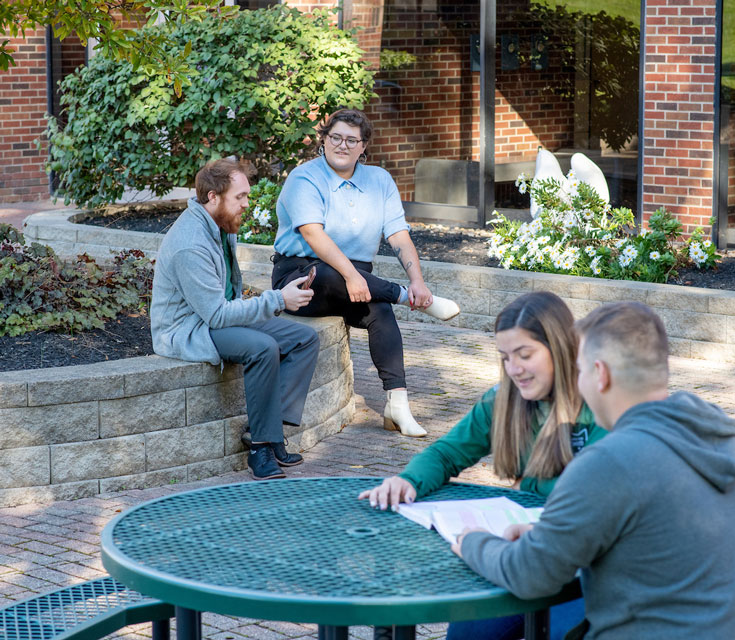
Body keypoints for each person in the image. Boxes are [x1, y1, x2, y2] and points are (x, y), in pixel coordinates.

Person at [454, 301, 735, 639]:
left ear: (601, 375)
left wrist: (472, 542)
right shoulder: (712, 432)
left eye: (580, 370)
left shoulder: (608, 462)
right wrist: (549, 536)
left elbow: (529, 574)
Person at [359, 291, 607, 640]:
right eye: (505, 358)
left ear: (560, 347)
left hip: (585, 564)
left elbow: (599, 495)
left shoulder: (599, 407)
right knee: (467, 633)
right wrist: (409, 480)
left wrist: (531, 488)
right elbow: (447, 453)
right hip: (524, 551)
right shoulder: (502, 400)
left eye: (525, 355)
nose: (514, 369)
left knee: (562, 633)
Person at [271, 108, 460, 438]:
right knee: (329, 273)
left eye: (351, 140)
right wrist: (356, 277)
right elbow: (313, 235)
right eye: (335, 137)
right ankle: (405, 297)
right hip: (301, 277)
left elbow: (398, 235)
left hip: (359, 281)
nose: (342, 145)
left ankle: (397, 404)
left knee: (379, 308)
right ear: (324, 140)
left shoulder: (379, 180)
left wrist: (418, 280)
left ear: (363, 146)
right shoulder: (304, 178)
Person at [151, 158, 320, 482]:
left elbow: (227, 297)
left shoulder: (220, 223)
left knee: (305, 339)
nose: (246, 203)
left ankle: (269, 430)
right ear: (212, 197)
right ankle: (260, 448)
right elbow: (215, 314)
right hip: (188, 329)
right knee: (262, 347)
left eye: (246, 196)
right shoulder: (191, 243)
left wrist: (272, 302)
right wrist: (278, 299)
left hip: (215, 315)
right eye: (239, 197)